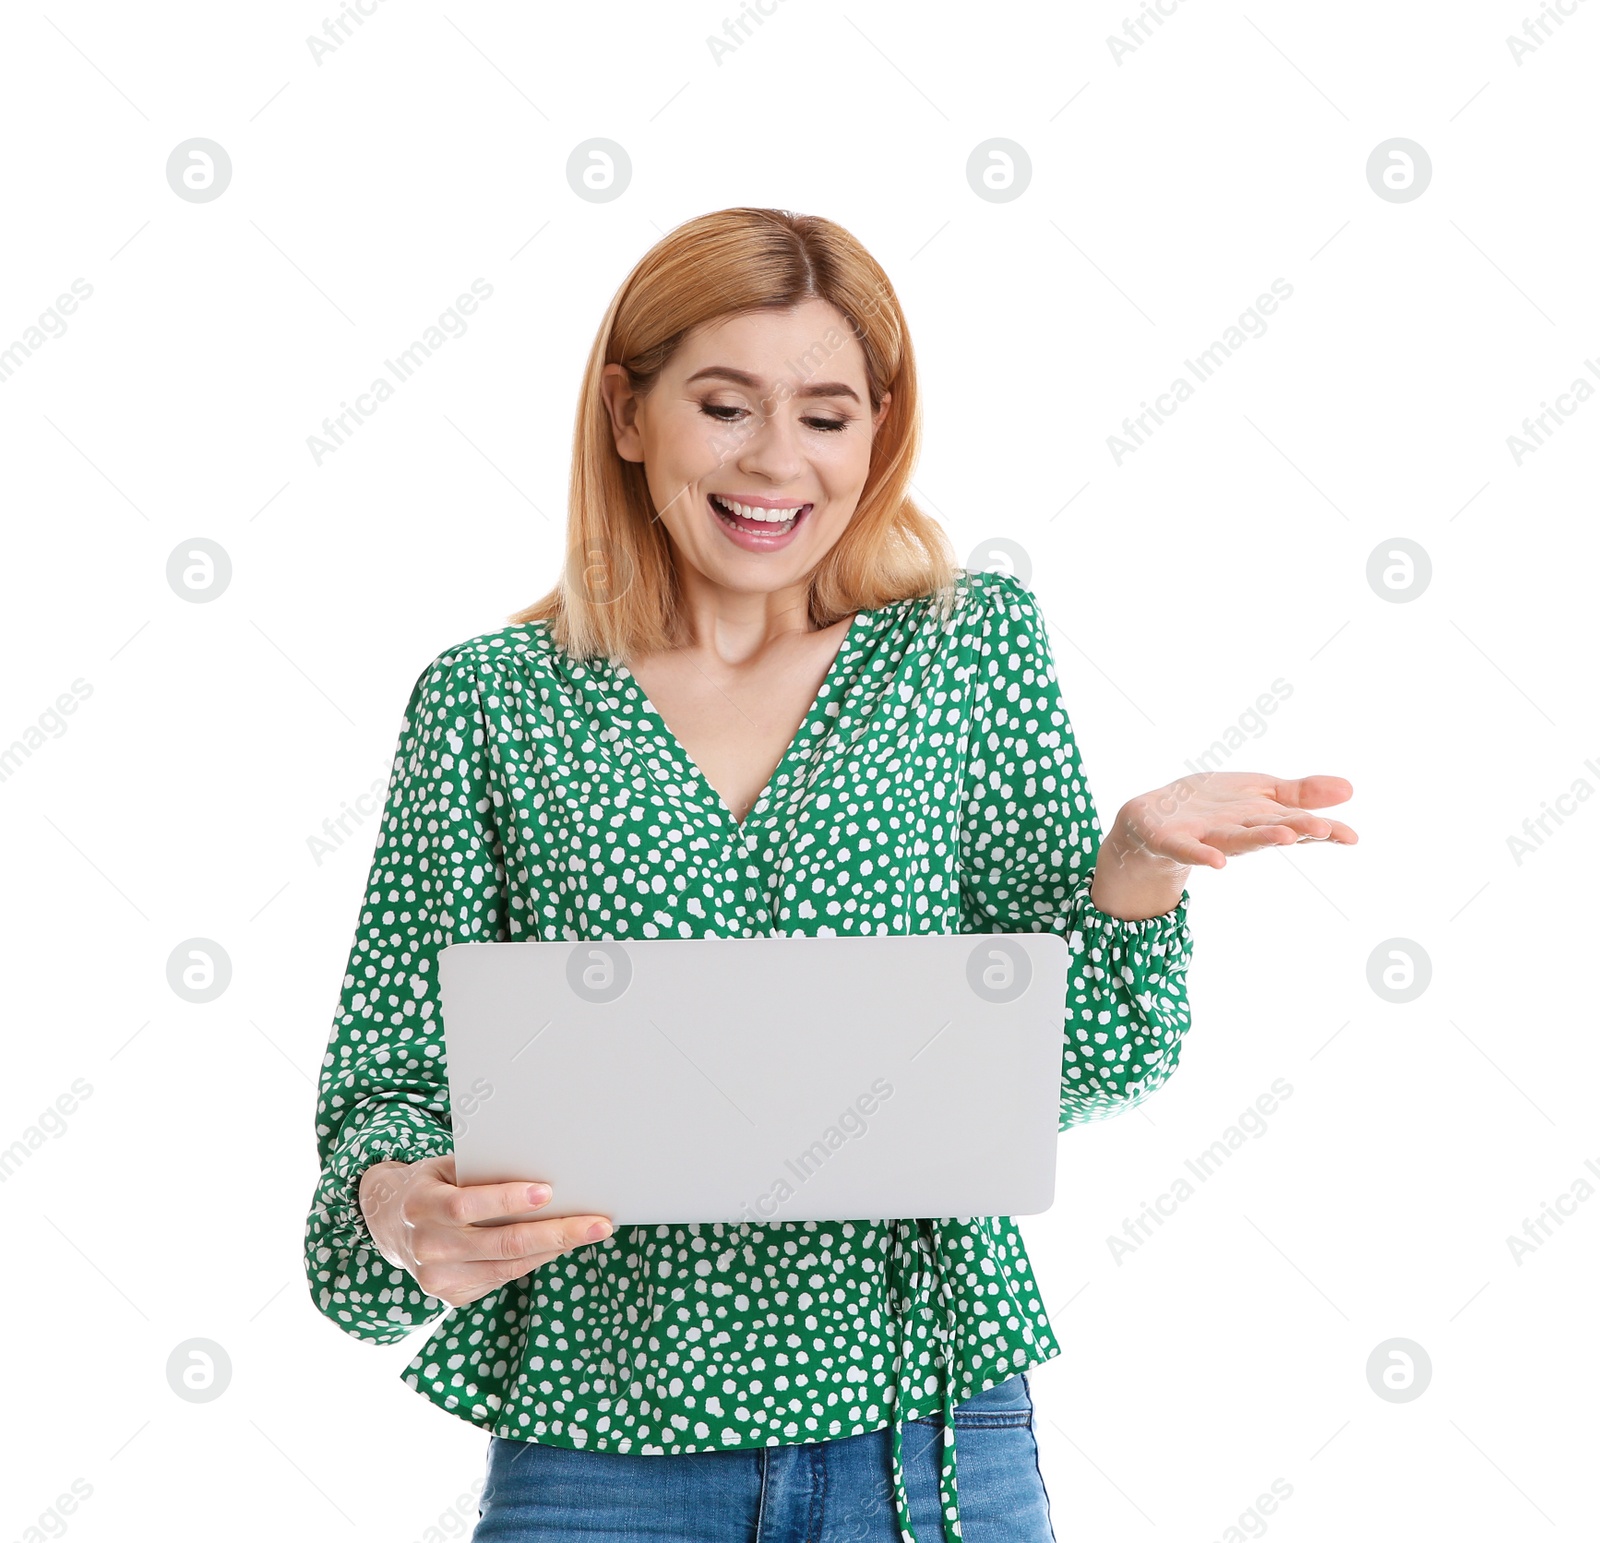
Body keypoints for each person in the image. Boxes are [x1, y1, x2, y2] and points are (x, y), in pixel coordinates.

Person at [302, 206, 1357, 1542]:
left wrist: (1135, 869)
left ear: (880, 430)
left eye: (826, 415)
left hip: (920, 1435)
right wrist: (401, 1214)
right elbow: (385, 1091)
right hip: (599, 1448)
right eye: (726, 406)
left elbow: (1076, 1066)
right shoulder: (490, 706)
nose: (775, 464)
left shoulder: (964, 655)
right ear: (627, 415)